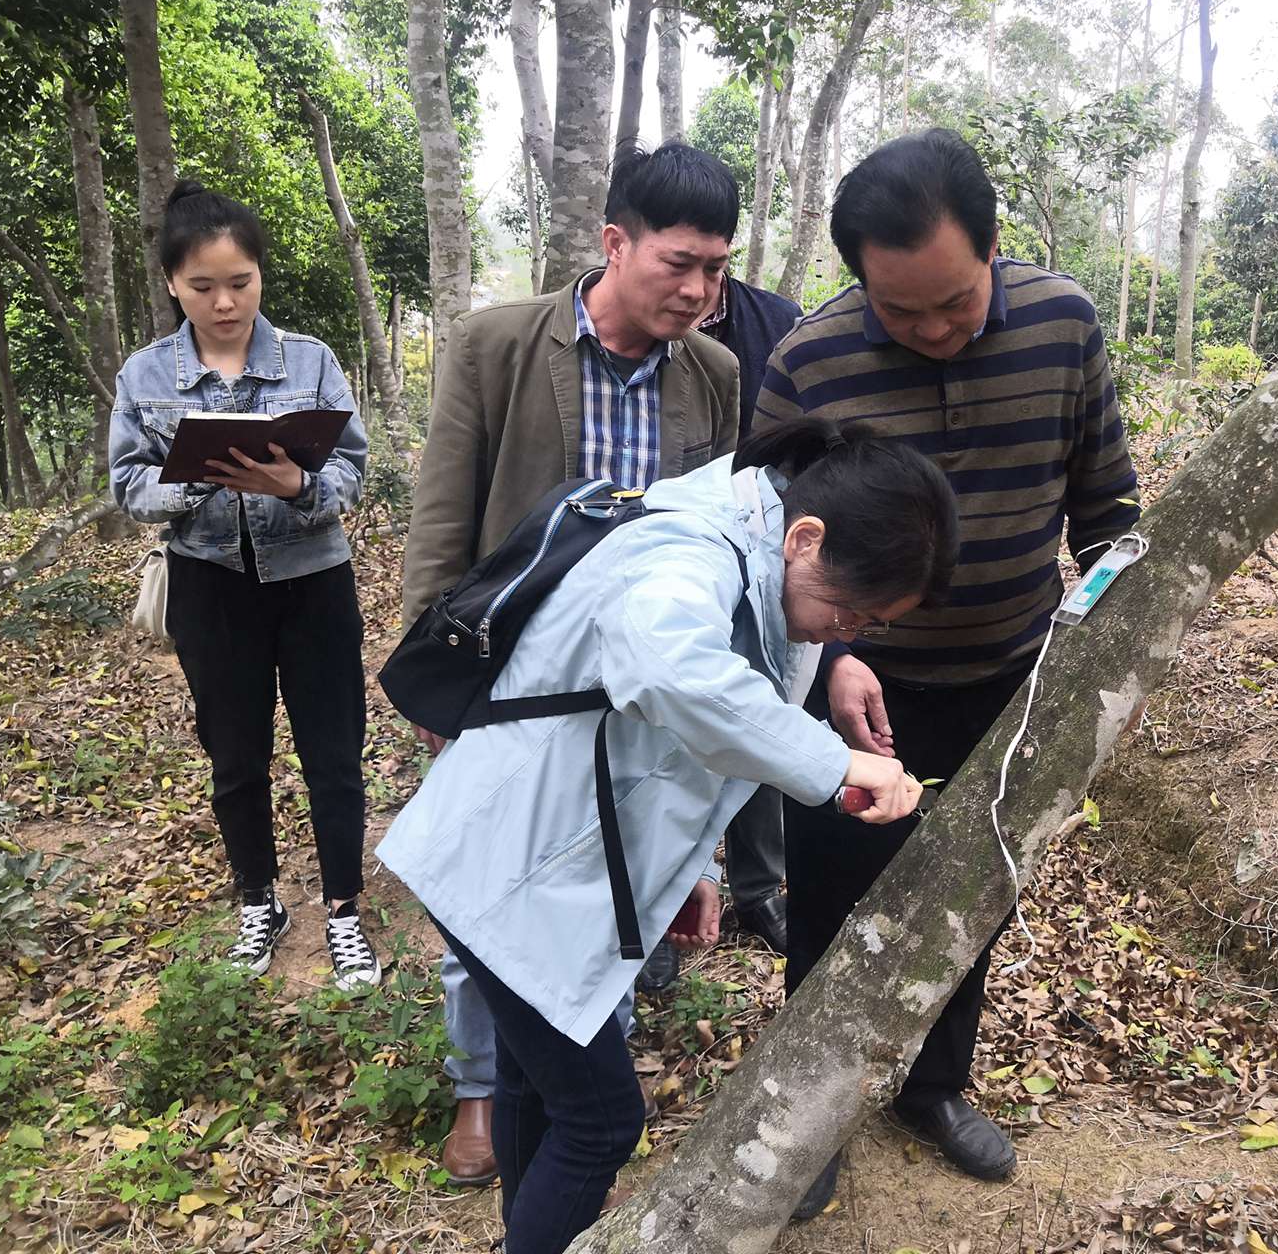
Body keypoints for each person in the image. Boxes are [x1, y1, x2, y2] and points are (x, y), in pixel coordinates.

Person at [377, 419, 958, 1254]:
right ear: (805, 537)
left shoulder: (762, 563)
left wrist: (690, 867)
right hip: (506, 866)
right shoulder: (689, 543)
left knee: (532, 1082)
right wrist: (836, 766)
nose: (846, 637)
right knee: (601, 1120)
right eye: (850, 612)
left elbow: (678, 746)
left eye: (870, 626)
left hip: (537, 853)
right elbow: (669, 669)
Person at [753, 128, 1141, 1215]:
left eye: (953, 305)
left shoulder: (1062, 325)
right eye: (898, 310)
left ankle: (932, 1086)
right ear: (856, 278)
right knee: (829, 902)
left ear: (994, 249)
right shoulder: (812, 358)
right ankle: (808, 1111)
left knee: (971, 896)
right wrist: (831, 654)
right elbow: (767, 537)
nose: (927, 331)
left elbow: (1111, 510)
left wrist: (1101, 651)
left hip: (1011, 682)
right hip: (850, 693)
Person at [399, 143, 742, 1186]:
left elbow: (718, 537)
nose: (697, 290)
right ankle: (478, 1092)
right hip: (508, 680)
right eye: (677, 263)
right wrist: (436, 679)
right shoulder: (498, 345)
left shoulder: (716, 377)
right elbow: (442, 515)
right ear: (613, 244)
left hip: (631, 687)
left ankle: (566, 1085)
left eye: (716, 269)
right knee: (489, 896)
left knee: (604, 888)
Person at [108, 181, 379, 990]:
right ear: (171, 283)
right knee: (235, 755)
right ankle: (258, 899)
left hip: (312, 581)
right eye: (203, 287)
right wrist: (199, 480)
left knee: (332, 751)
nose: (224, 303)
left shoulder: (311, 362)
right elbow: (127, 485)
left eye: (241, 282)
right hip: (210, 587)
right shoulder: (145, 376)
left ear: (260, 275)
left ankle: (342, 906)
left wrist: (296, 487)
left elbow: (353, 470)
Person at [696, 271, 804, 953]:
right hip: (680, 547)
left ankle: (759, 887)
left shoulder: (778, 322)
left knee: (759, 704)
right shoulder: (645, 327)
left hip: (766, 547)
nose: (696, 284)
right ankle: (668, 895)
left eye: (712, 261)